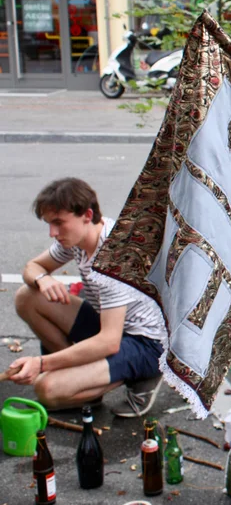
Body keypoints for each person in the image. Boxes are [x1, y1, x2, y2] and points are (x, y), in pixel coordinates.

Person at [10, 178, 167, 417]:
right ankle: (82, 381)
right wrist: (43, 279)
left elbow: (109, 342)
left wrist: (42, 365)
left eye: (58, 223)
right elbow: (32, 267)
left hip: (144, 343)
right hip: (110, 324)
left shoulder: (112, 258)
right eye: (49, 224)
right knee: (27, 297)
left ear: (87, 214)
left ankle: (144, 376)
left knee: (46, 388)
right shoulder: (77, 238)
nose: (53, 233)